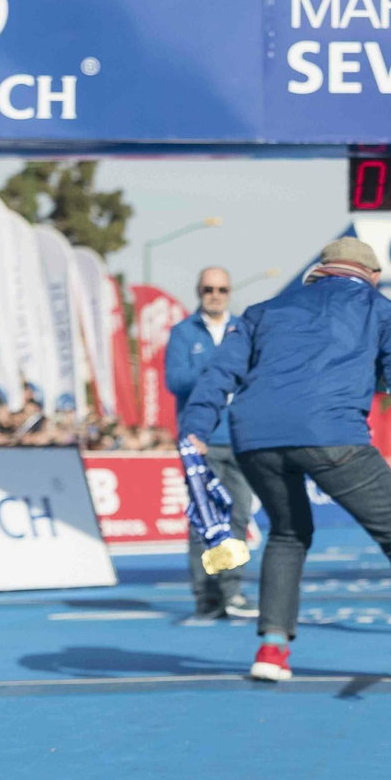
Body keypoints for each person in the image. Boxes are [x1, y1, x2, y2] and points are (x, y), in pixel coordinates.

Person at [181, 237, 391, 692]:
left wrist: (196, 427)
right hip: (331, 435)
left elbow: (221, 371)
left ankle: (272, 648)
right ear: (372, 277)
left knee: (287, 530)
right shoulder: (385, 311)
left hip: (255, 438)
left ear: (319, 270)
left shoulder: (263, 309)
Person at [164, 266, 258, 622]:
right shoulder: (183, 333)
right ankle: (205, 595)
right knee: (203, 519)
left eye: (221, 289)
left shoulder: (243, 330)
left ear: (230, 292)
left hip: (239, 438)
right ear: (199, 292)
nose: (215, 295)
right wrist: (217, 365)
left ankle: (231, 590)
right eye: (208, 289)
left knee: (237, 517)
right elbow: (176, 380)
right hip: (199, 439)